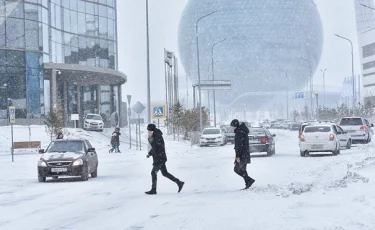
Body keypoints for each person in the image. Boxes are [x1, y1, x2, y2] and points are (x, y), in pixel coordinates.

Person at [145, 124, 184, 195]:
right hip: (160, 157)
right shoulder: (156, 135)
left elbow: (155, 147)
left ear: (152, 130)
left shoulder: (157, 136)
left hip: (159, 158)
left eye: (149, 130)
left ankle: (154, 189)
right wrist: (150, 153)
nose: (148, 132)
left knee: (153, 172)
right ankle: (179, 182)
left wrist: (150, 153)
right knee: (165, 173)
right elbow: (154, 146)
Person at [230, 119, 255, 190]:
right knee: (243, 169)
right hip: (245, 153)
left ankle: (249, 180)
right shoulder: (243, 131)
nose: (232, 128)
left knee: (236, 169)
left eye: (233, 126)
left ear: (235, 126)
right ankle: (248, 183)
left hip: (242, 155)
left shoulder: (239, 132)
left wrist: (238, 156)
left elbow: (239, 146)